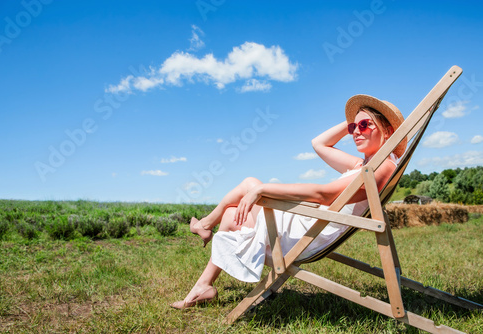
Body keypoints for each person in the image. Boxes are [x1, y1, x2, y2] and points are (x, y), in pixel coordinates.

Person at [171, 94, 406, 309]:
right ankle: (203, 285)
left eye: (365, 125)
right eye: (354, 126)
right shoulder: (365, 165)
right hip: (314, 224)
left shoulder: (380, 166)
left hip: (311, 232)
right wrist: (351, 124)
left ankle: (204, 226)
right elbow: (319, 144)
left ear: (387, 129)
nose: (356, 132)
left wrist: (262, 189)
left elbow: (323, 194)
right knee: (233, 215)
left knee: (250, 184)